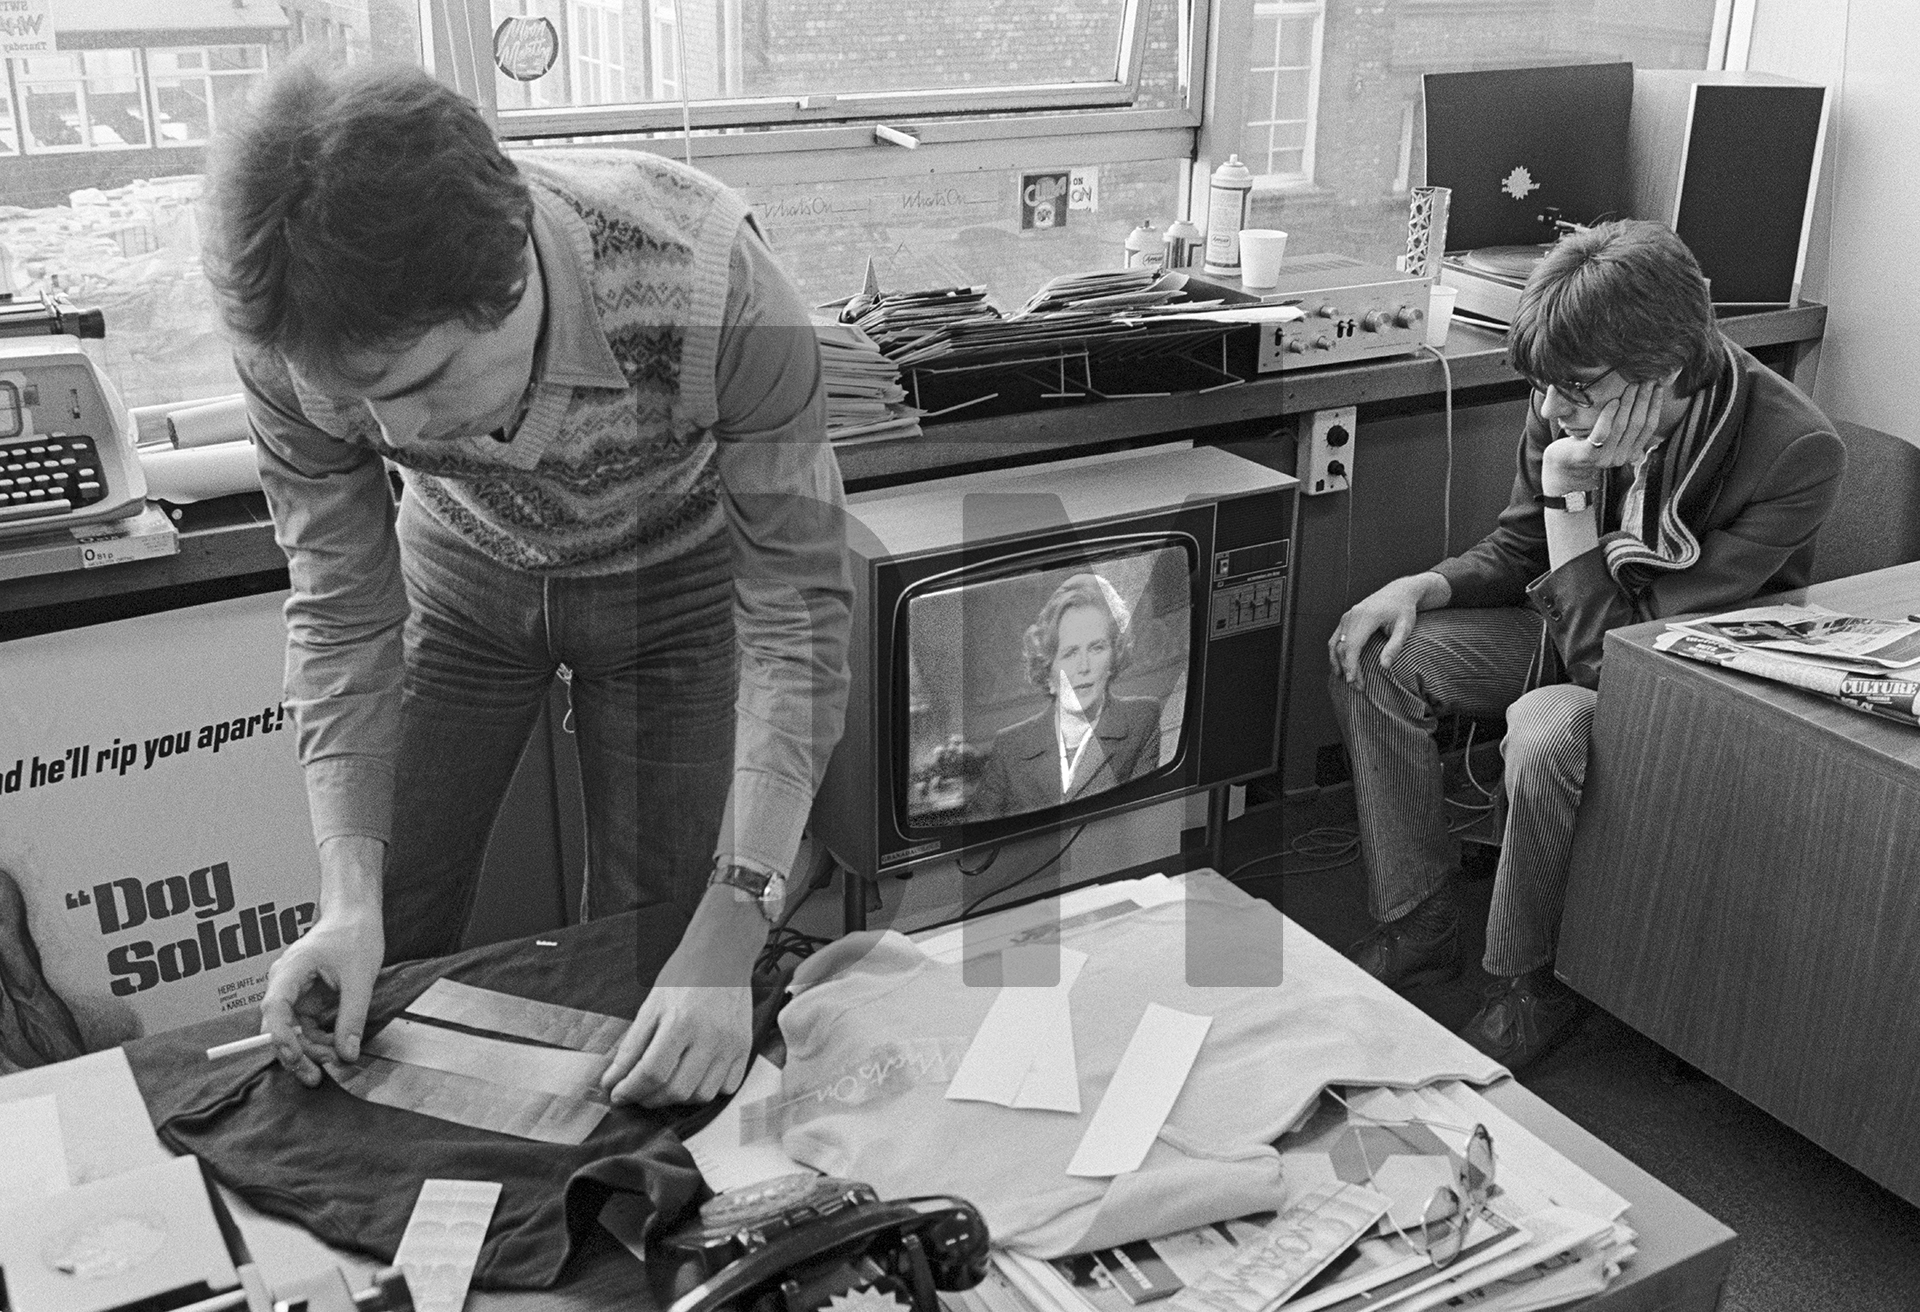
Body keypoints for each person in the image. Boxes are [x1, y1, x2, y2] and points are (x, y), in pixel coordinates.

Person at [203, 59, 851, 1107]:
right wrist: (345, 898)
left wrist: (735, 921)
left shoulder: (717, 282)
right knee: (381, 934)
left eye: (420, 384)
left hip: (672, 591)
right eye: (356, 406)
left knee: (657, 957)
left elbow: (796, 619)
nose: (398, 438)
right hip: (456, 580)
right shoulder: (289, 339)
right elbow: (339, 605)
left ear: (511, 271)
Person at [1326, 220, 1843, 1069]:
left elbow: (1622, 660)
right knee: (1377, 653)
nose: (1555, 409)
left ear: (1664, 370)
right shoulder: (1566, 399)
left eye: (1575, 388)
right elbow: (1519, 550)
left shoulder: (1793, 451)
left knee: (1543, 727)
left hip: (1685, 671)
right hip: (1571, 620)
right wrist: (1420, 587)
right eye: (1546, 388)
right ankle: (1418, 919)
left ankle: (1528, 985)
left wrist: (1571, 495)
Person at [971, 573, 1162, 817]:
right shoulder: (1010, 745)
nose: (1083, 666)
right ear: (1048, 670)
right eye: (1070, 653)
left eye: (1097, 648)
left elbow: (1140, 822)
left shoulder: (1142, 719)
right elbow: (978, 835)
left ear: (1114, 658)